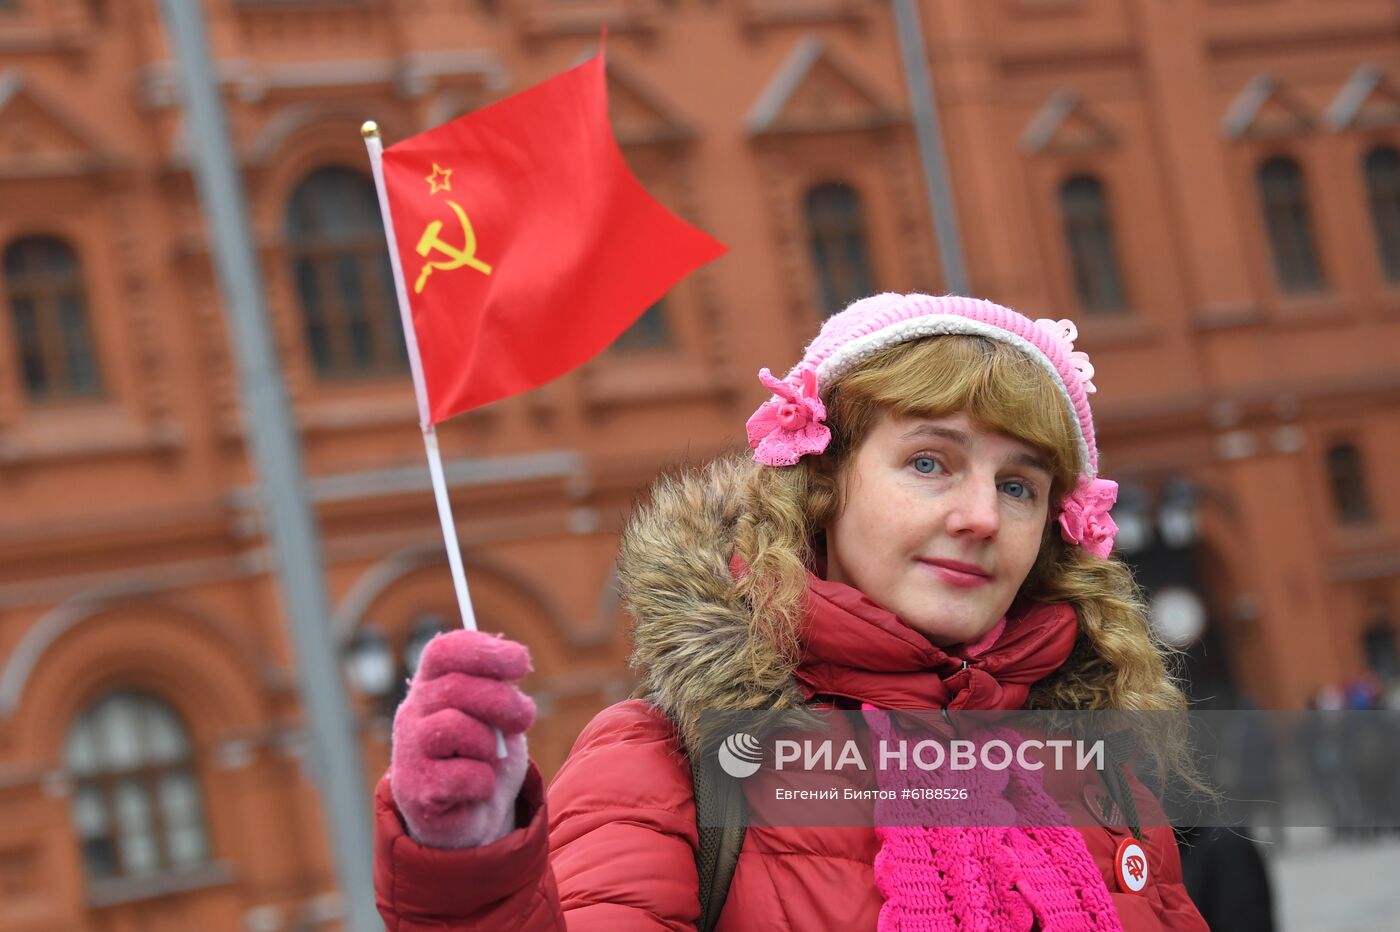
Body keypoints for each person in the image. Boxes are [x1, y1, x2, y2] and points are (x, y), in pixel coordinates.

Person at [373, 293, 1211, 930]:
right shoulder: (672, 766)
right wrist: (472, 870)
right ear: (823, 487)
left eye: (1019, 485)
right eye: (929, 462)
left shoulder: (1098, 774)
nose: (982, 516)